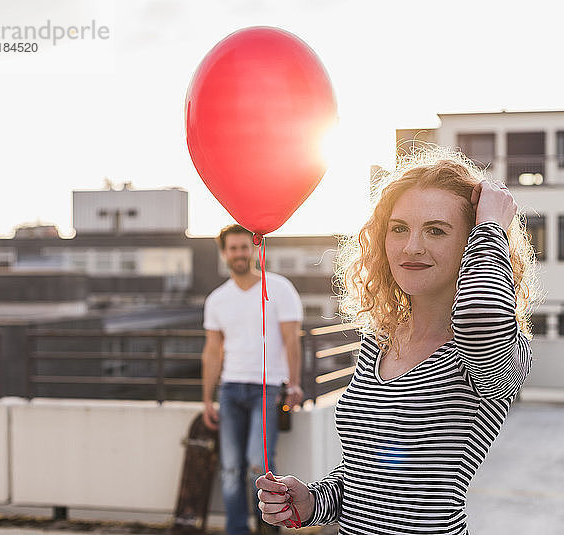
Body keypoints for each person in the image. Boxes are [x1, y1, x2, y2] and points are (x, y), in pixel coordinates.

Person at [256, 147, 539, 535]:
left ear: (471, 245)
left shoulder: (496, 349)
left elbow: (479, 315)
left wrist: (492, 224)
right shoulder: (380, 340)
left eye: (436, 230)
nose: (411, 247)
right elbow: (365, 477)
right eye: (399, 227)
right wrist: (312, 502)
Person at [201, 224, 304, 535]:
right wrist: (207, 398)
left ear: (255, 249)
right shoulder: (217, 299)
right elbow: (212, 352)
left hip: (268, 388)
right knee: (231, 469)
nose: (239, 253)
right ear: (224, 254)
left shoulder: (279, 288)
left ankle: (269, 529)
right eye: (232, 248)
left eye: (244, 247)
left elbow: (291, 340)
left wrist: (295, 383)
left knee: (259, 465)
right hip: (230, 390)